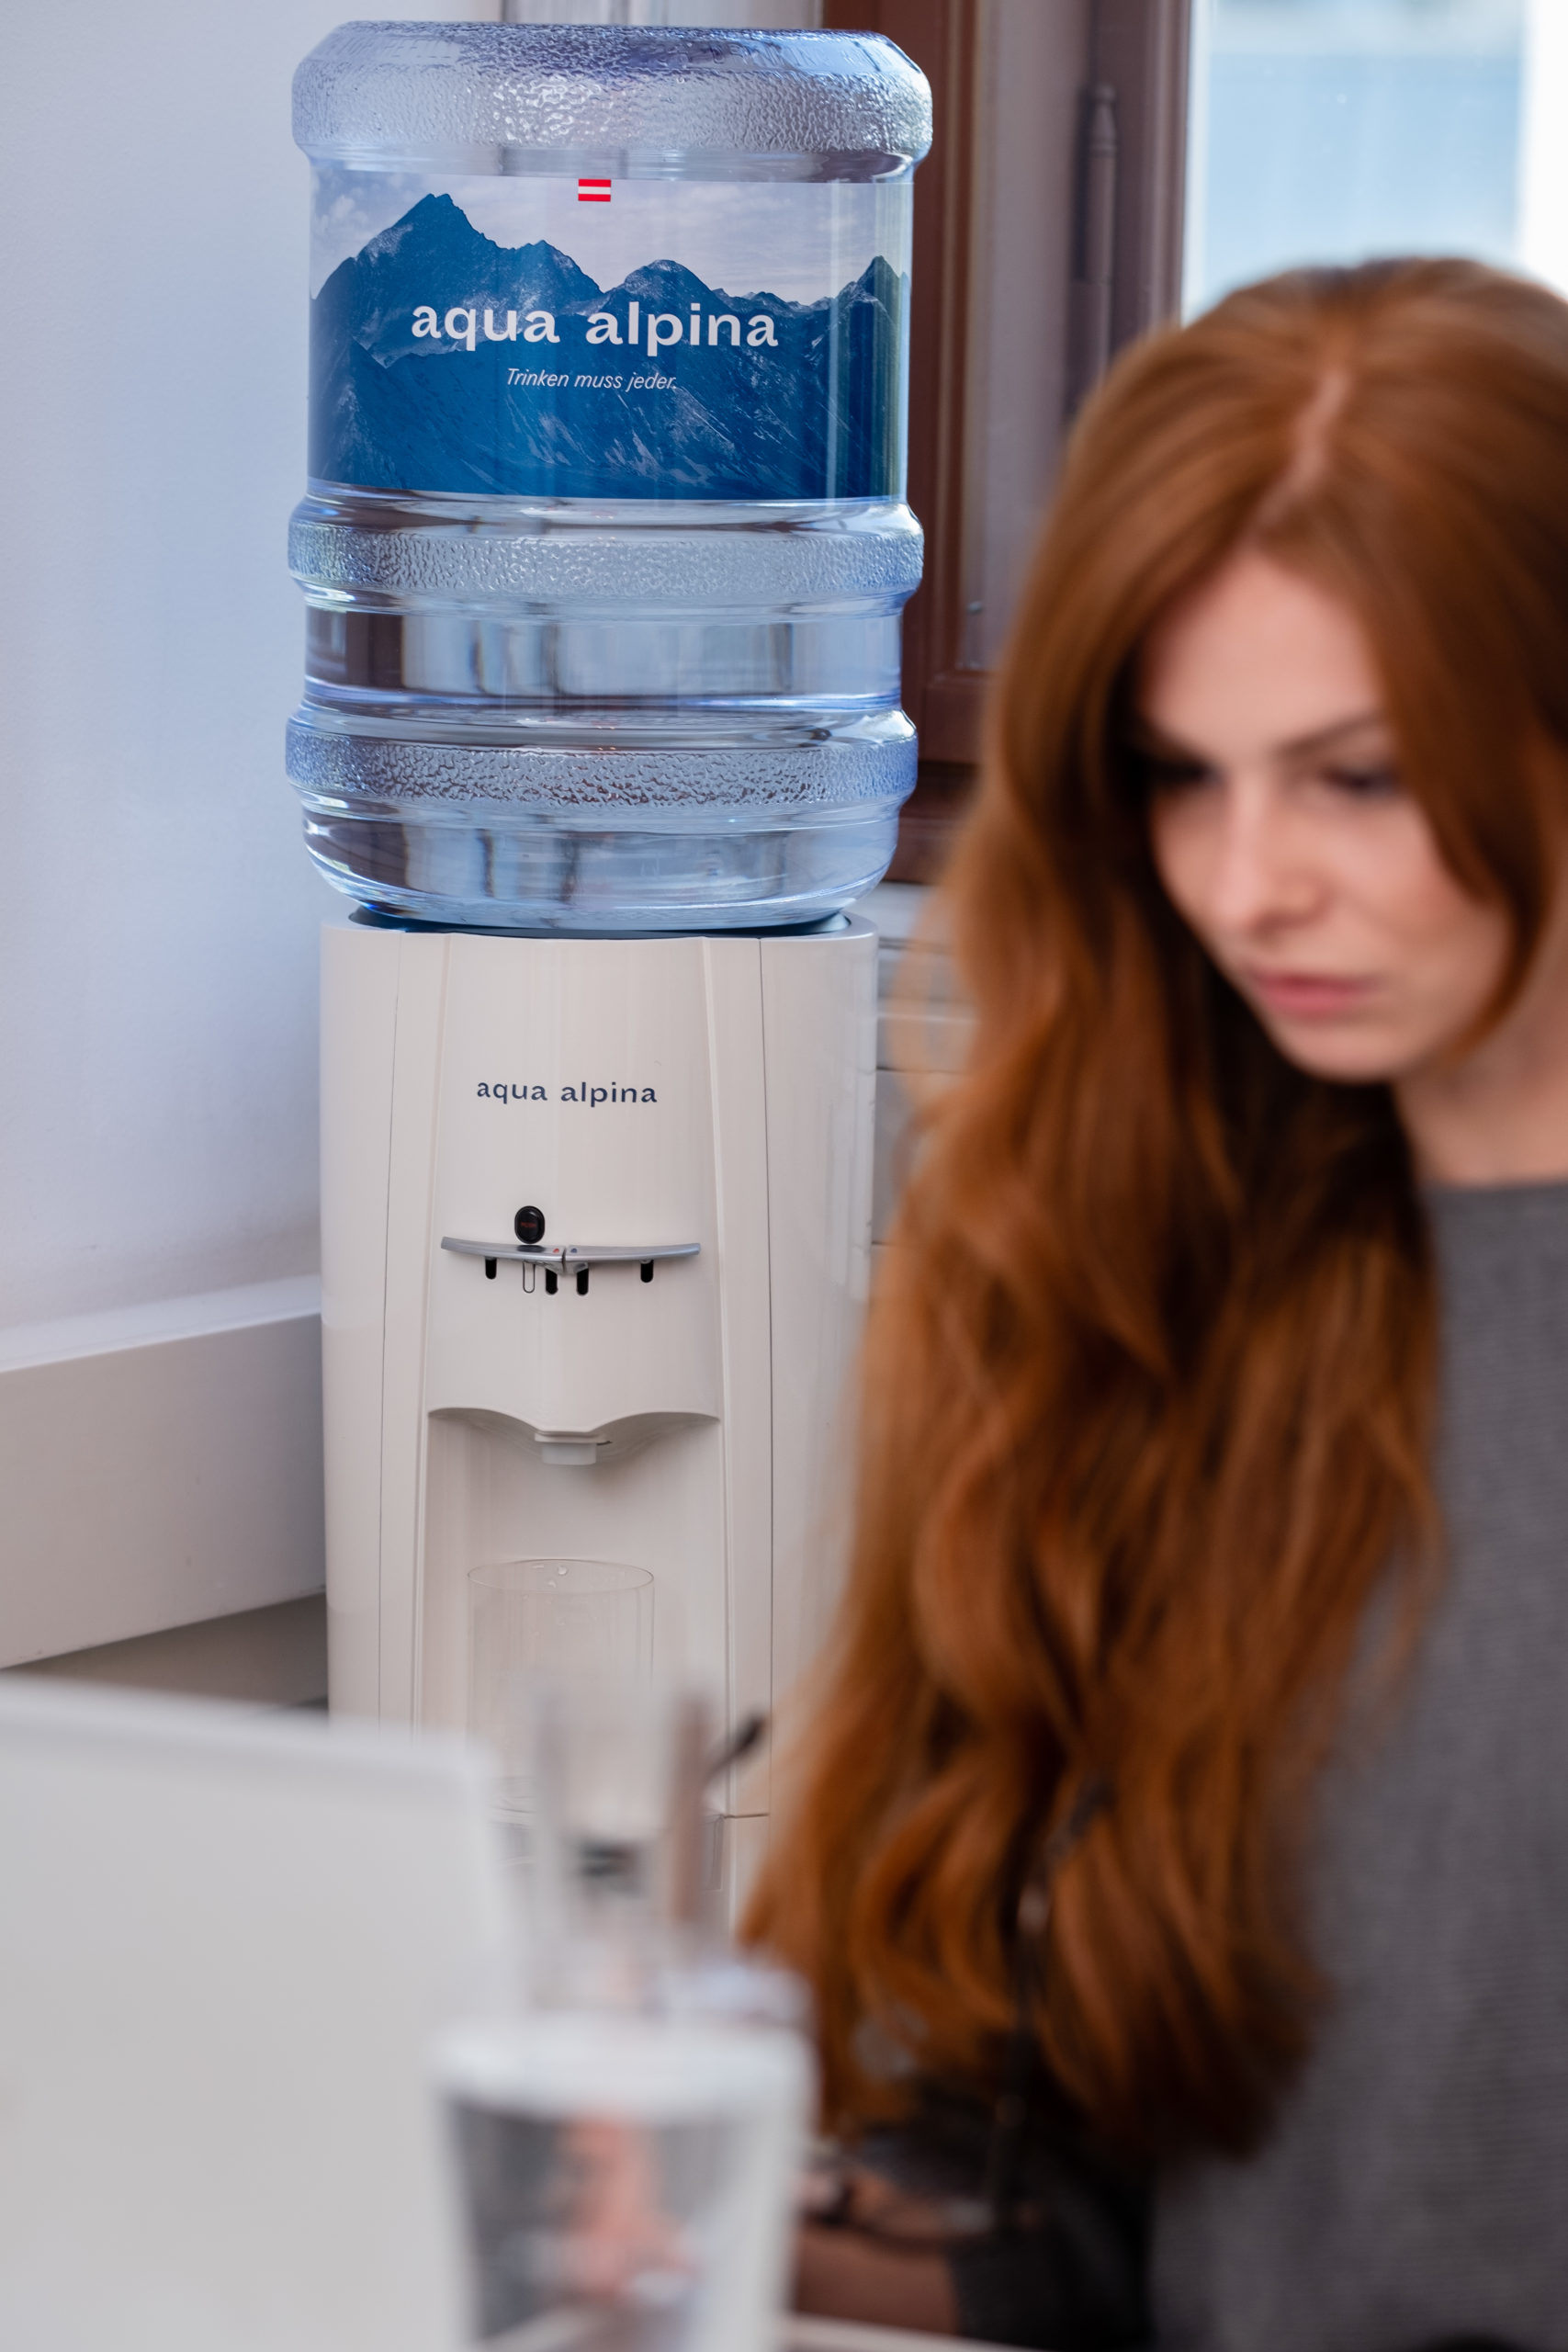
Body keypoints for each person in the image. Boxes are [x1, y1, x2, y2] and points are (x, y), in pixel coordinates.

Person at [743, 257, 1568, 2352]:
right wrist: (711, 2213)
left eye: (1353, 776)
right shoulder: (1126, 1287)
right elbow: (1097, 2200)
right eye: (1178, 776)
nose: (1240, 882)